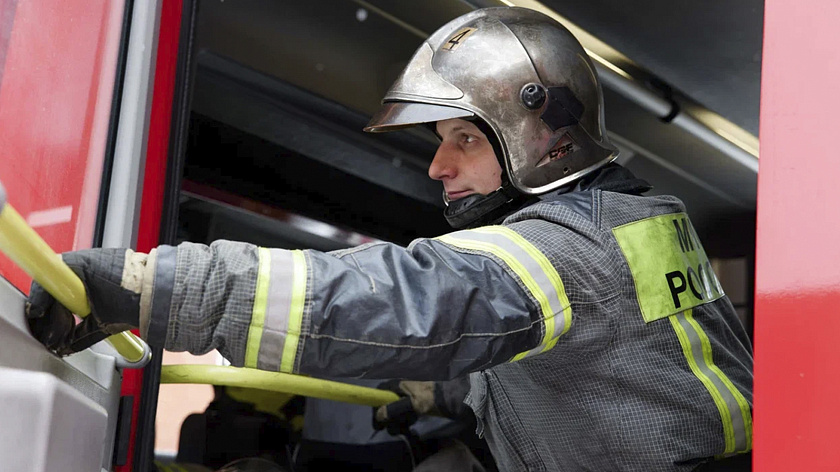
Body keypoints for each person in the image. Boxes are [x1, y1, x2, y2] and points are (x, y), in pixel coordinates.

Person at [25, 7, 753, 471]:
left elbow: (404, 302)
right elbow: (598, 365)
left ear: (543, 138)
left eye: (463, 139)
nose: (438, 166)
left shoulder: (573, 249)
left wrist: (153, 289)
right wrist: (447, 391)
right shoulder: (641, 223)